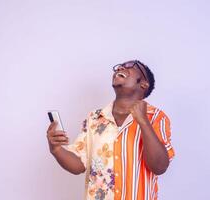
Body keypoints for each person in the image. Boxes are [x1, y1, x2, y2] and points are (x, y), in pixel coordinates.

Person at [46, 60, 175, 200]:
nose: (120, 68)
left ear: (144, 84)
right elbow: (78, 165)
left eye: (131, 66)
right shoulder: (94, 118)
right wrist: (56, 149)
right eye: (120, 66)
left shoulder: (156, 117)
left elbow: (160, 167)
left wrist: (143, 121)